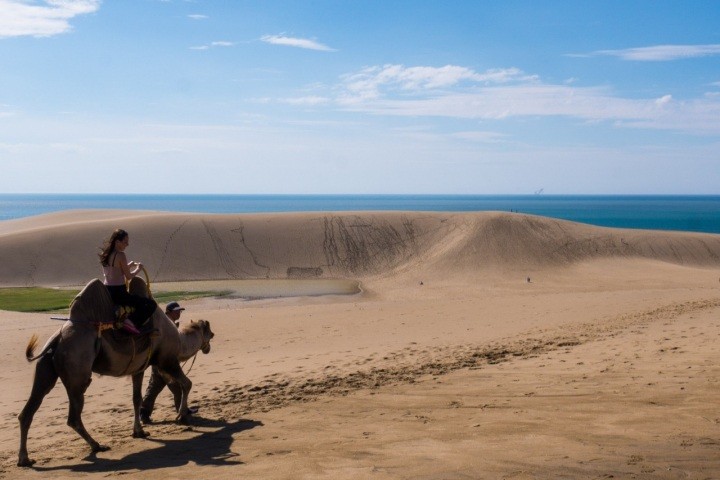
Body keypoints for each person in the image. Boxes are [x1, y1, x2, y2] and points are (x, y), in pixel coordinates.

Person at [139, 301, 194, 423]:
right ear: (169, 312)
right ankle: (182, 412)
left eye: (180, 311)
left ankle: (144, 414)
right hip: (165, 362)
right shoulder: (165, 324)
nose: (179, 313)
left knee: (153, 388)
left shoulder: (169, 323)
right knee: (179, 387)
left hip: (159, 361)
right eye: (177, 311)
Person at [99, 228, 157, 334]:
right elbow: (129, 277)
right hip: (119, 293)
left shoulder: (106, 254)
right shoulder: (121, 255)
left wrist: (128, 265)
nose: (127, 244)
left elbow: (114, 272)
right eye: (125, 241)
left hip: (107, 290)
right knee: (151, 305)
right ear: (117, 242)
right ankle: (131, 323)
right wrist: (138, 269)